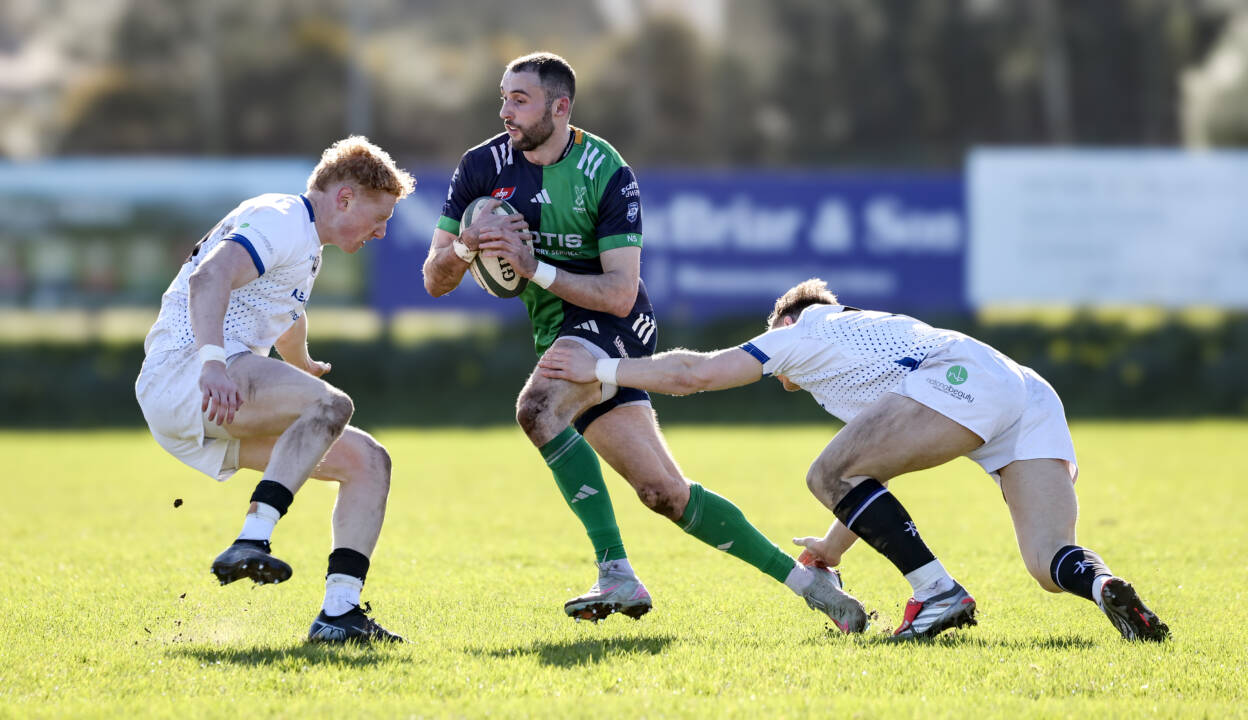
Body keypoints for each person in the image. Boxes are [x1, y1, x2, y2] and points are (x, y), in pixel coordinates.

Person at [422, 52, 867, 633]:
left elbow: (618, 292)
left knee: (537, 409)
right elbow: (434, 279)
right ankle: (813, 585)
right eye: (503, 98)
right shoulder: (481, 166)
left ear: (560, 107)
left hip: (616, 323)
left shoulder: (605, 171)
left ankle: (615, 573)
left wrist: (535, 270)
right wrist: (467, 245)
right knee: (663, 493)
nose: (506, 111)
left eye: (520, 100)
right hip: (556, 329)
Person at [539, 278, 1171, 642]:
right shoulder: (866, 336)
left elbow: (695, 374)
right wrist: (833, 547)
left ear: (788, 316)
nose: (778, 365)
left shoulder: (800, 334)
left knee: (825, 473)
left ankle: (938, 594)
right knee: (1047, 561)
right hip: (1025, 390)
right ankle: (1104, 586)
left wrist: (602, 369)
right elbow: (875, 471)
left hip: (961, 376)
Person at [135, 136, 415, 643]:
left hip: (207, 392)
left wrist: (301, 364)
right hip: (187, 375)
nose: (381, 231)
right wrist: (212, 364)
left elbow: (283, 312)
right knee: (333, 406)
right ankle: (252, 538)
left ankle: (339, 614)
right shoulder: (282, 218)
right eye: (380, 216)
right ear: (345, 198)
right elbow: (209, 278)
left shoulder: (304, 240)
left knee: (368, 462)